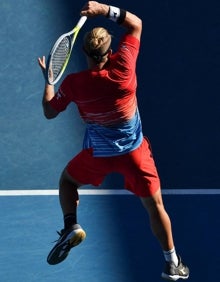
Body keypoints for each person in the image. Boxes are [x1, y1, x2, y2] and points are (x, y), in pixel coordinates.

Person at [38, 1, 189, 280]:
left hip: (98, 154)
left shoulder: (74, 84)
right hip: (135, 153)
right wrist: (103, 9)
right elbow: (136, 24)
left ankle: (70, 224)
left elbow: (49, 111)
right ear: (111, 52)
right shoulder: (124, 70)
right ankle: (173, 263)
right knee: (155, 206)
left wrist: (49, 79)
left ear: (84, 52)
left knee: (67, 182)